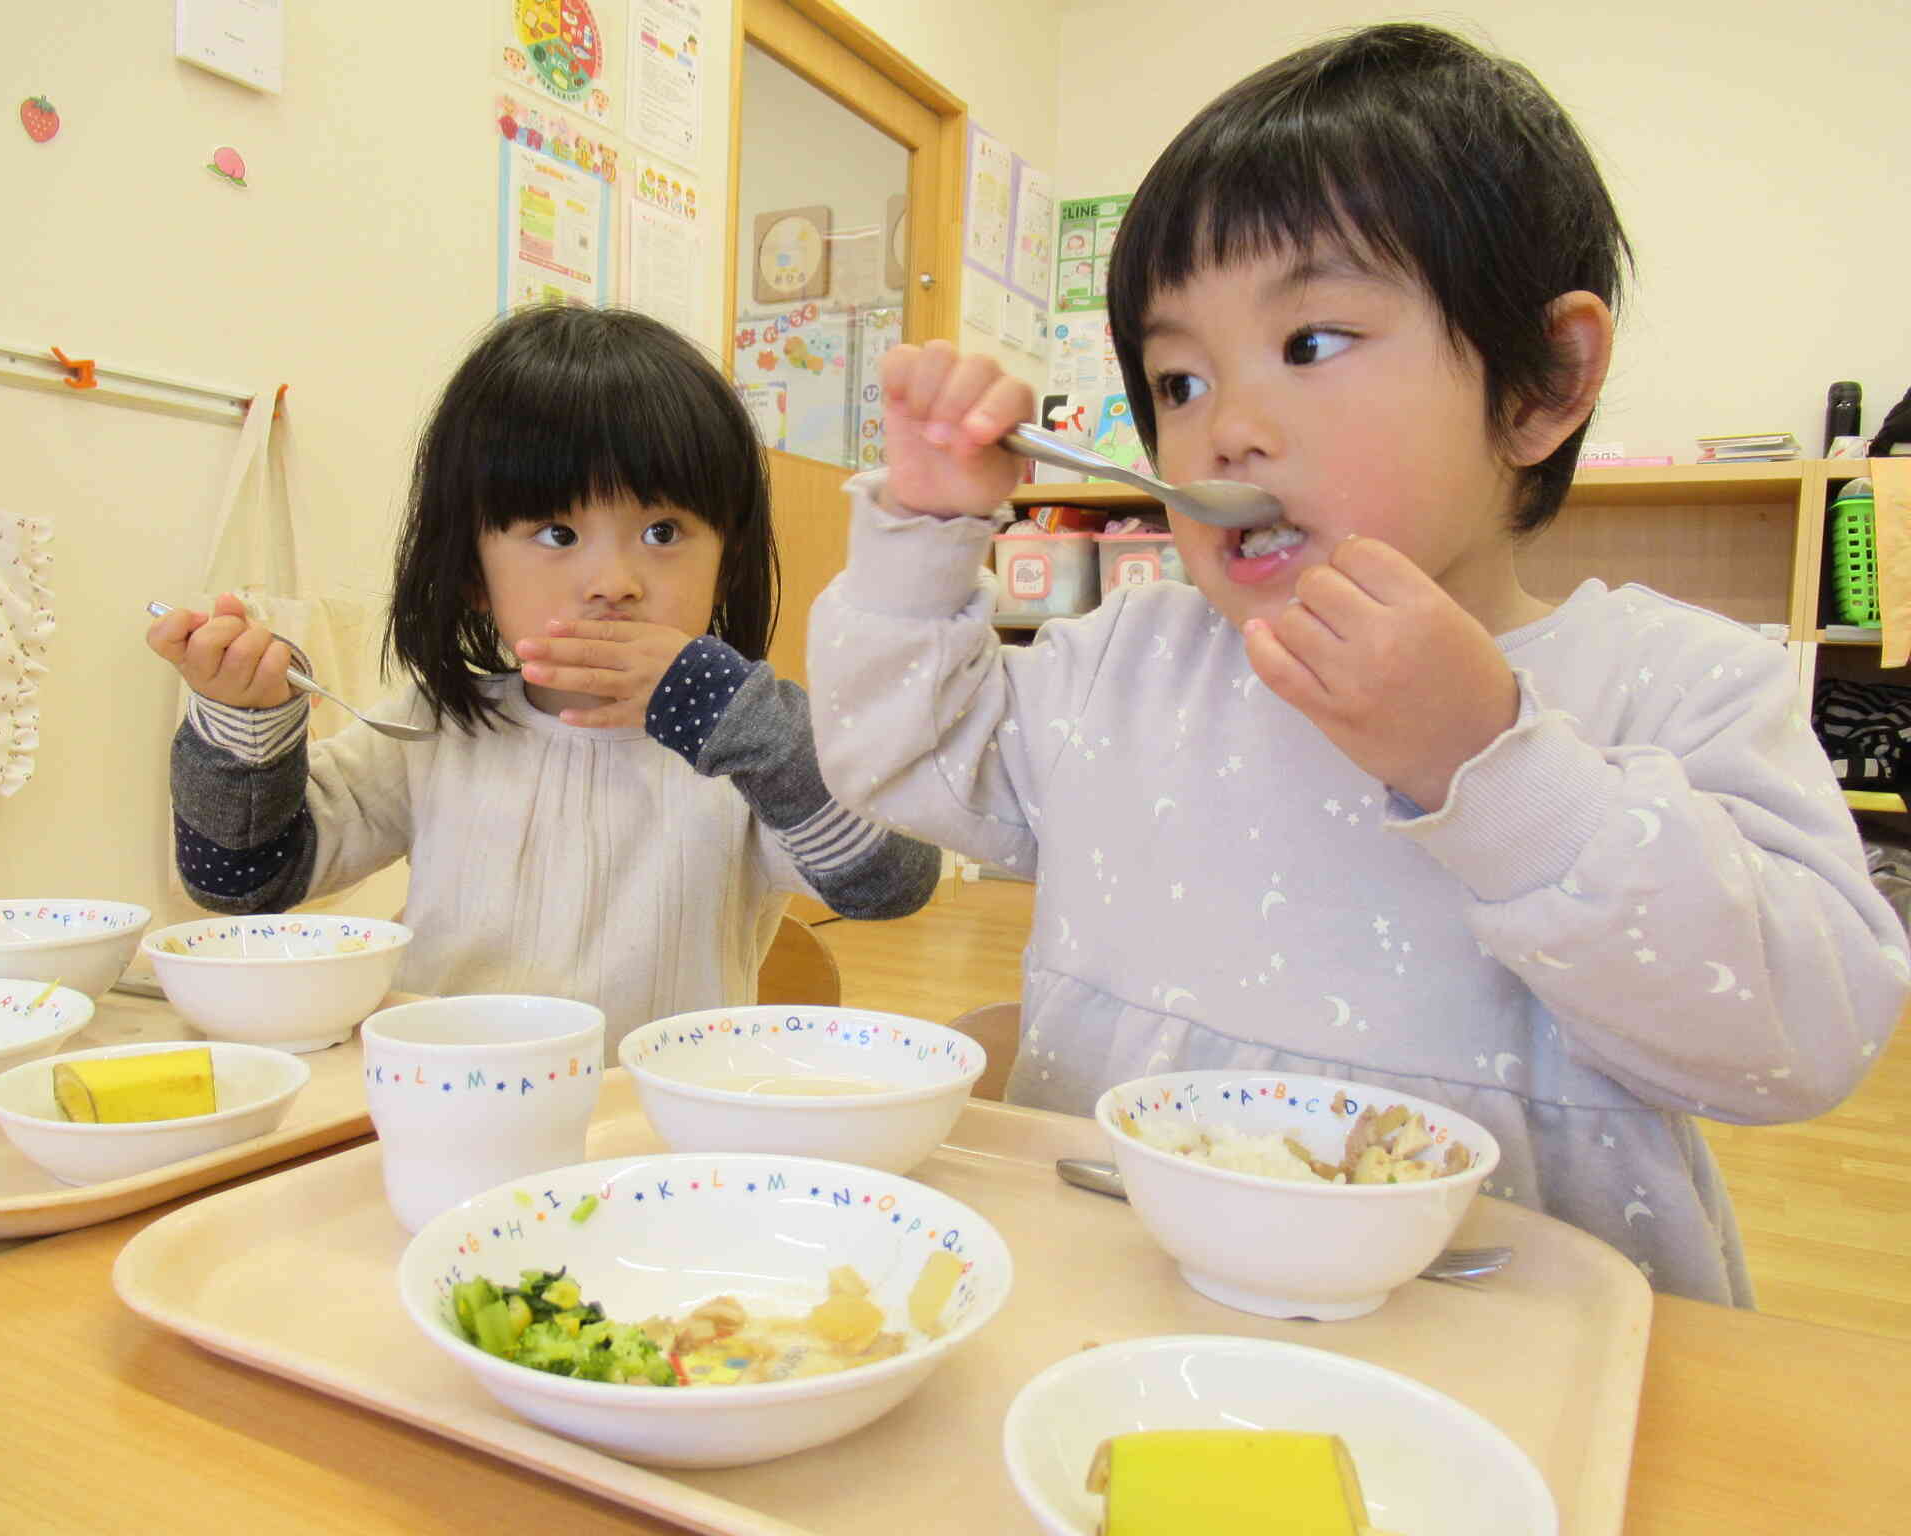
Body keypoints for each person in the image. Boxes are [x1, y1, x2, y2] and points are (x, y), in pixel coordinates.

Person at [804, 23, 1907, 1304]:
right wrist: (926, 531)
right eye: (1177, 376)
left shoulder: (1672, 684)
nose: (1227, 429)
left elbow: (1794, 1040)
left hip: (1515, 1365)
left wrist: (1489, 766)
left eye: (1311, 342)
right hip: (1128, 1306)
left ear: (1541, 382)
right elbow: (902, 757)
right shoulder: (1131, 662)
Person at [150, 304, 937, 1052]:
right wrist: (243, 724)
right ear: (471, 574)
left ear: (726, 565)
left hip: (645, 1136)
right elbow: (245, 884)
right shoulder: (432, 730)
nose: (613, 581)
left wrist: (748, 725)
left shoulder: (750, 750)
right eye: (557, 532)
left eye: (662, 532)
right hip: (447, 1106)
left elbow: (890, 882)